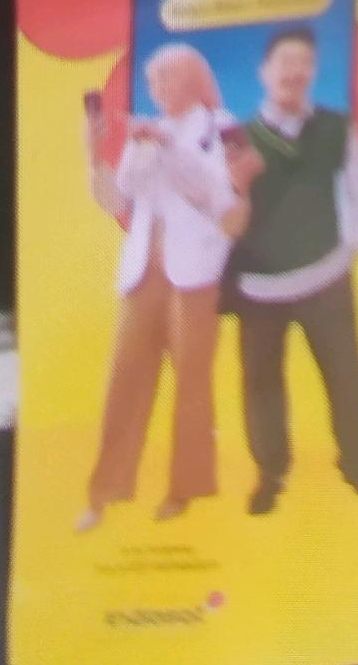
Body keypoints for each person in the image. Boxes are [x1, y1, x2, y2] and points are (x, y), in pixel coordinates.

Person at [78, 42, 252, 531]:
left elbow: (223, 201)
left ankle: (184, 489)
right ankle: (104, 492)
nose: (157, 89)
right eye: (153, 81)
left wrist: (170, 150)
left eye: (167, 78)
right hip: (143, 273)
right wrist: (95, 156)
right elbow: (119, 201)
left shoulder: (226, 128)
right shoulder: (146, 130)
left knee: (191, 382)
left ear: (193, 79)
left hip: (194, 274)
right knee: (124, 379)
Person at [231, 24, 358, 514]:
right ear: (264, 72)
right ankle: (270, 474)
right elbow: (221, 212)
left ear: (314, 71)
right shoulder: (236, 140)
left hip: (326, 276)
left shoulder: (337, 127)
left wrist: (346, 254)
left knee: (345, 374)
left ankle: (355, 461)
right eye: (285, 62)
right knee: (262, 387)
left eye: (303, 62)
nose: (294, 72)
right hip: (259, 285)